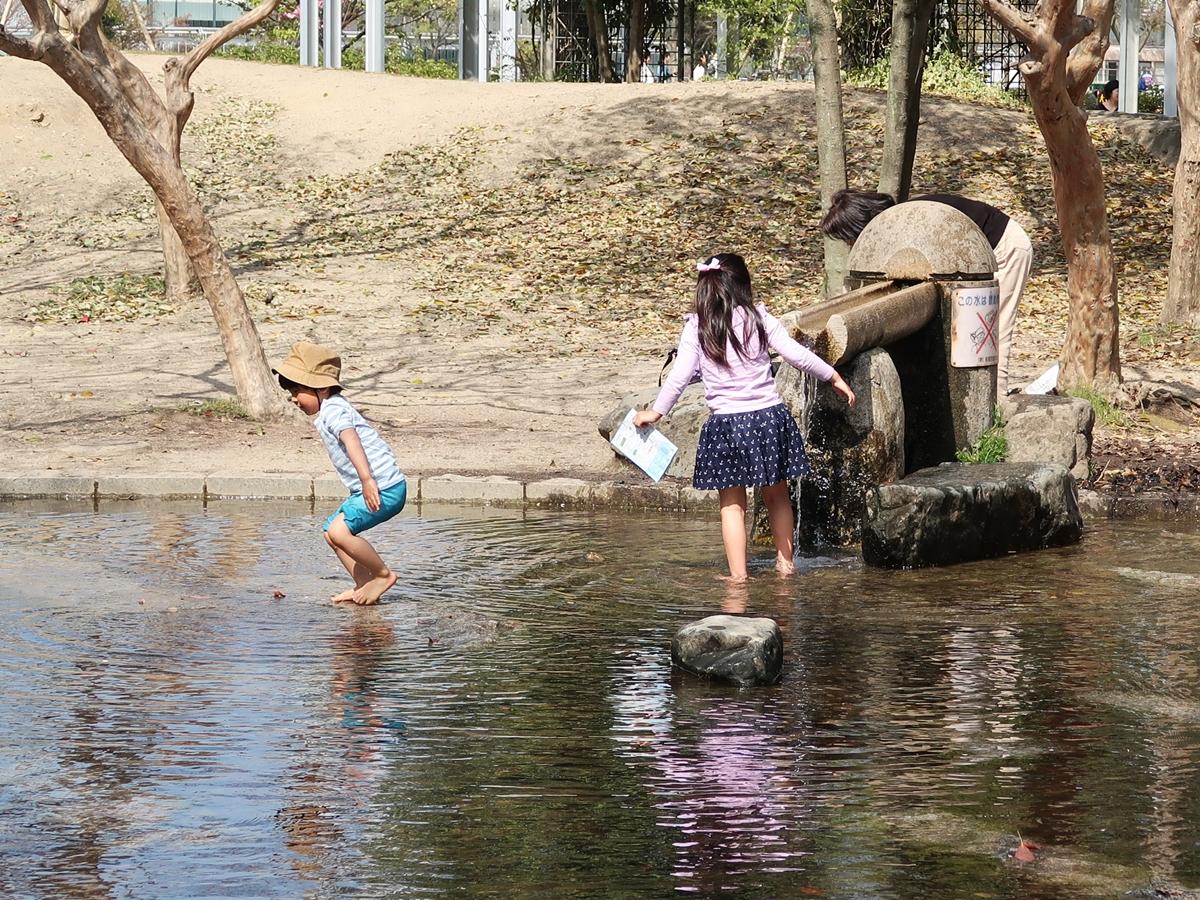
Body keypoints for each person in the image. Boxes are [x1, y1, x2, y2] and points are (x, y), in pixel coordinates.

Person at [634, 254, 855, 581]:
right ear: (744, 287)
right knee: (777, 496)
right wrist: (832, 376)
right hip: (768, 418)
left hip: (727, 425)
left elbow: (679, 376)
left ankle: (738, 578)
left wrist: (656, 411)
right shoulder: (760, 318)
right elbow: (796, 355)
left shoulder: (697, 327)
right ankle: (785, 566)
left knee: (732, 506)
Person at [819, 189, 1033, 394]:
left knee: (993, 325)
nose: (851, 245)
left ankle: (997, 400)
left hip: (1004, 248)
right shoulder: (896, 223)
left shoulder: (909, 219)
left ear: (861, 226)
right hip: (973, 260)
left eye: (850, 239)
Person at [274, 341, 407, 605]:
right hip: (376, 486)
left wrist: (368, 480)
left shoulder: (334, 410)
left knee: (339, 533)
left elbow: (351, 439)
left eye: (297, 390)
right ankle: (365, 585)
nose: (294, 398)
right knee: (329, 532)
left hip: (384, 487)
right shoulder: (330, 410)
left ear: (321, 387)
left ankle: (382, 575)